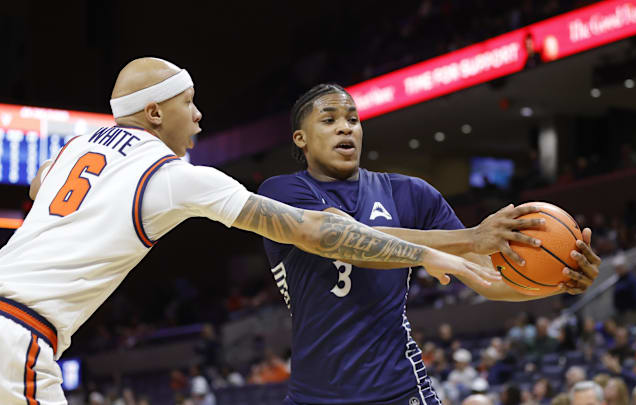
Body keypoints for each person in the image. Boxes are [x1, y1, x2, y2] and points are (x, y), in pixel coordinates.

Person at [0, 59, 491, 404]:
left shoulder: (77, 147)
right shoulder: (173, 178)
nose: (198, 116)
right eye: (188, 103)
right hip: (17, 333)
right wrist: (427, 253)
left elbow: (43, 180)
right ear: (154, 114)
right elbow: (319, 234)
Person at [258, 83, 602, 404]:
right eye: (329, 120)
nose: (346, 128)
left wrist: (561, 280)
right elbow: (345, 240)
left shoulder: (410, 194)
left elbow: (488, 277)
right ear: (301, 139)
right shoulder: (281, 194)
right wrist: (469, 236)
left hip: (399, 388)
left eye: (353, 119)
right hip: (313, 394)